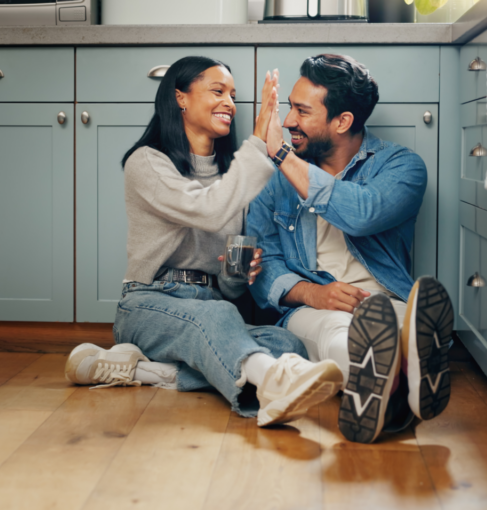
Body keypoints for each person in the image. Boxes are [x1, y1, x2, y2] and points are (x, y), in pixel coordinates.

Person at [64, 56, 343, 427]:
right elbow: (207, 210)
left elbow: (227, 288)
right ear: (181, 97)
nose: (229, 102)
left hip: (211, 307)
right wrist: (260, 144)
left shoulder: (234, 176)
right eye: (218, 91)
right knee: (220, 319)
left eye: (233, 95)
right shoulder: (147, 163)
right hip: (149, 304)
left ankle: (149, 373)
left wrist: (236, 272)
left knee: (288, 346)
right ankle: (272, 384)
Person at [248, 54, 455, 444]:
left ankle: (399, 373)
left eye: (301, 111)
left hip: (382, 299)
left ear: (342, 121)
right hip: (311, 308)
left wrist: (281, 155)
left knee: (392, 323)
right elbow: (263, 270)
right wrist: (315, 293)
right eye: (288, 107)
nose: (288, 121)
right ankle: (402, 384)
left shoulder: (402, 167)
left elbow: (362, 213)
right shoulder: (272, 181)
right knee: (336, 331)